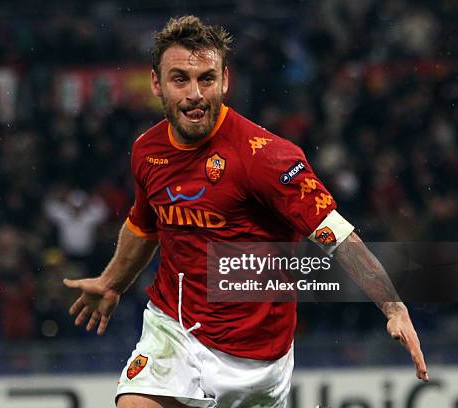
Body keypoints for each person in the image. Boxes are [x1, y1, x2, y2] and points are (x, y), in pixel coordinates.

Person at [63, 16, 428, 408]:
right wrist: (113, 282)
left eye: (206, 78)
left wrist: (394, 307)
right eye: (180, 79)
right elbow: (144, 224)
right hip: (173, 327)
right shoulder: (147, 151)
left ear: (224, 81)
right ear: (157, 83)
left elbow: (337, 237)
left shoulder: (266, 156)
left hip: (255, 359)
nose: (195, 94)